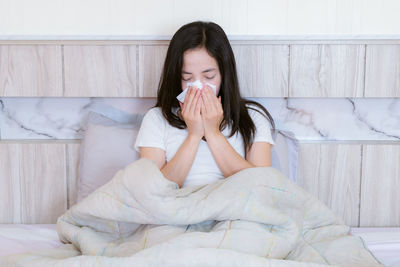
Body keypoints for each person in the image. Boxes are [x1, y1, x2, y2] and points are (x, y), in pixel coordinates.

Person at [134, 21, 275, 188]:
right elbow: (153, 191)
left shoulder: (253, 117)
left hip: (233, 211)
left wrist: (213, 132)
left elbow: (264, 189)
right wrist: (194, 135)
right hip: (178, 210)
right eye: (187, 78)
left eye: (209, 77)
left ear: (224, 74)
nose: (198, 87)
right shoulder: (157, 119)